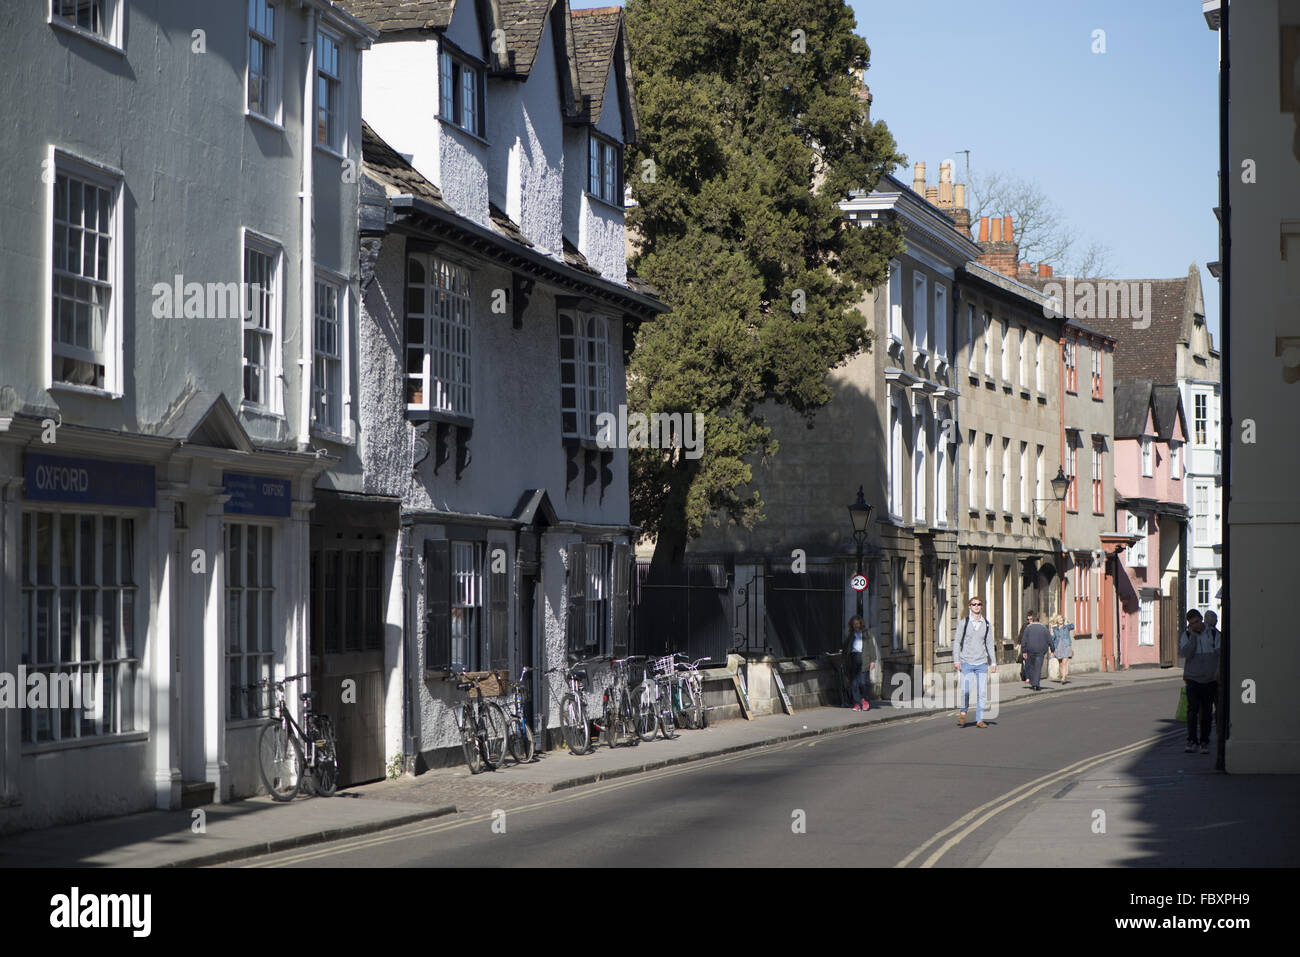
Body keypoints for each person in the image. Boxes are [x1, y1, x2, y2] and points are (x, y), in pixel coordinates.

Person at [1179, 609, 1221, 754]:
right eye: (1192, 624)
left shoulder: (1213, 634)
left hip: (1209, 679)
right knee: (1192, 711)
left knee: (1207, 712)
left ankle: (1204, 741)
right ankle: (1191, 740)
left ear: (1201, 619)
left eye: (1197, 622)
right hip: (1192, 678)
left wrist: (1218, 671)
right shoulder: (1186, 635)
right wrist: (1193, 638)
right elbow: (1187, 654)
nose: (1195, 626)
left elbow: (1220, 654)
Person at [954, 596, 998, 728]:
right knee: (966, 691)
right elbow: (957, 642)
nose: (976, 606)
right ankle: (963, 712)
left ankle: (979, 719)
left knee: (982, 692)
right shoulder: (964, 622)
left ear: (982, 606)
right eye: (974, 604)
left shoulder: (987, 624)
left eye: (979, 604)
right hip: (966, 662)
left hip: (981, 663)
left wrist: (993, 662)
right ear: (970, 607)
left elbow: (990, 644)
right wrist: (956, 660)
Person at [841, 616, 880, 711]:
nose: (856, 626)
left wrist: (873, 661)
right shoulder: (850, 635)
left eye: (857, 623)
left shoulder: (866, 634)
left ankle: (865, 700)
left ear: (861, 624)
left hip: (864, 658)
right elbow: (845, 649)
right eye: (854, 624)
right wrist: (844, 660)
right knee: (854, 683)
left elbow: (871, 647)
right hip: (853, 658)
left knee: (863, 682)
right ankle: (857, 703)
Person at [1019, 610, 1052, 691]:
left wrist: (1023, 651)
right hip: (1041, 650)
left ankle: (1033, 683)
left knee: (1031, 667)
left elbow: (1024, 640)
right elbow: (1049, 639)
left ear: (1032, 620)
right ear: (1039, 620)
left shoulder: (1028, 628)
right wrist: (1053, 648)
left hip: (1030, 650)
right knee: (1038, 667)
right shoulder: (1044, 628)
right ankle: (1036, 684)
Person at [1049, 613, 1075, 684]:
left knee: (1064, 663)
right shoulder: (1054, 629)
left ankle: (1063, 678)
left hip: (1066, 646)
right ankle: (1063, 675)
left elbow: (1073, 626)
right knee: (1060, 663)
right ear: (1056, 620)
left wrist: (1069, 622)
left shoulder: (1066, 627)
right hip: (1058, 647)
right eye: (1059, 619)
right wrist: (1051, 630)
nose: (1061, 620)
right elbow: (1052, 638)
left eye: (1061, 618)